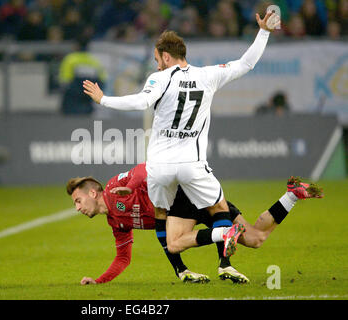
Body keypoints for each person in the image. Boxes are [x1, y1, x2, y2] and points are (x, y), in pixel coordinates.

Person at [82, 12, 281, 262]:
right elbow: (245, 64)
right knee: (220, 208)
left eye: (157, 60)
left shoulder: (160, 78)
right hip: (192, 165)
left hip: (160, 167)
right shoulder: (207, 75)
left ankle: (186, 266)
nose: (157, 65)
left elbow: (142, 100)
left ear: (166, 56)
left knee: (163, 221)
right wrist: (263, 32)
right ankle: (224, 257)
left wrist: (104, 99)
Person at [67, 163, 323, 285]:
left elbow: (147, 169)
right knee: (256, 238)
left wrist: (131, 186)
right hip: (192, 202)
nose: (77, 208)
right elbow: (123, 258)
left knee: (174, 242)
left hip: (185, 200)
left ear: (92, 192)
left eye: (78, 200)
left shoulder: (114, 188)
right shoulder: (115, 222)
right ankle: (292, 194)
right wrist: (99, 281)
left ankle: (222, 238)